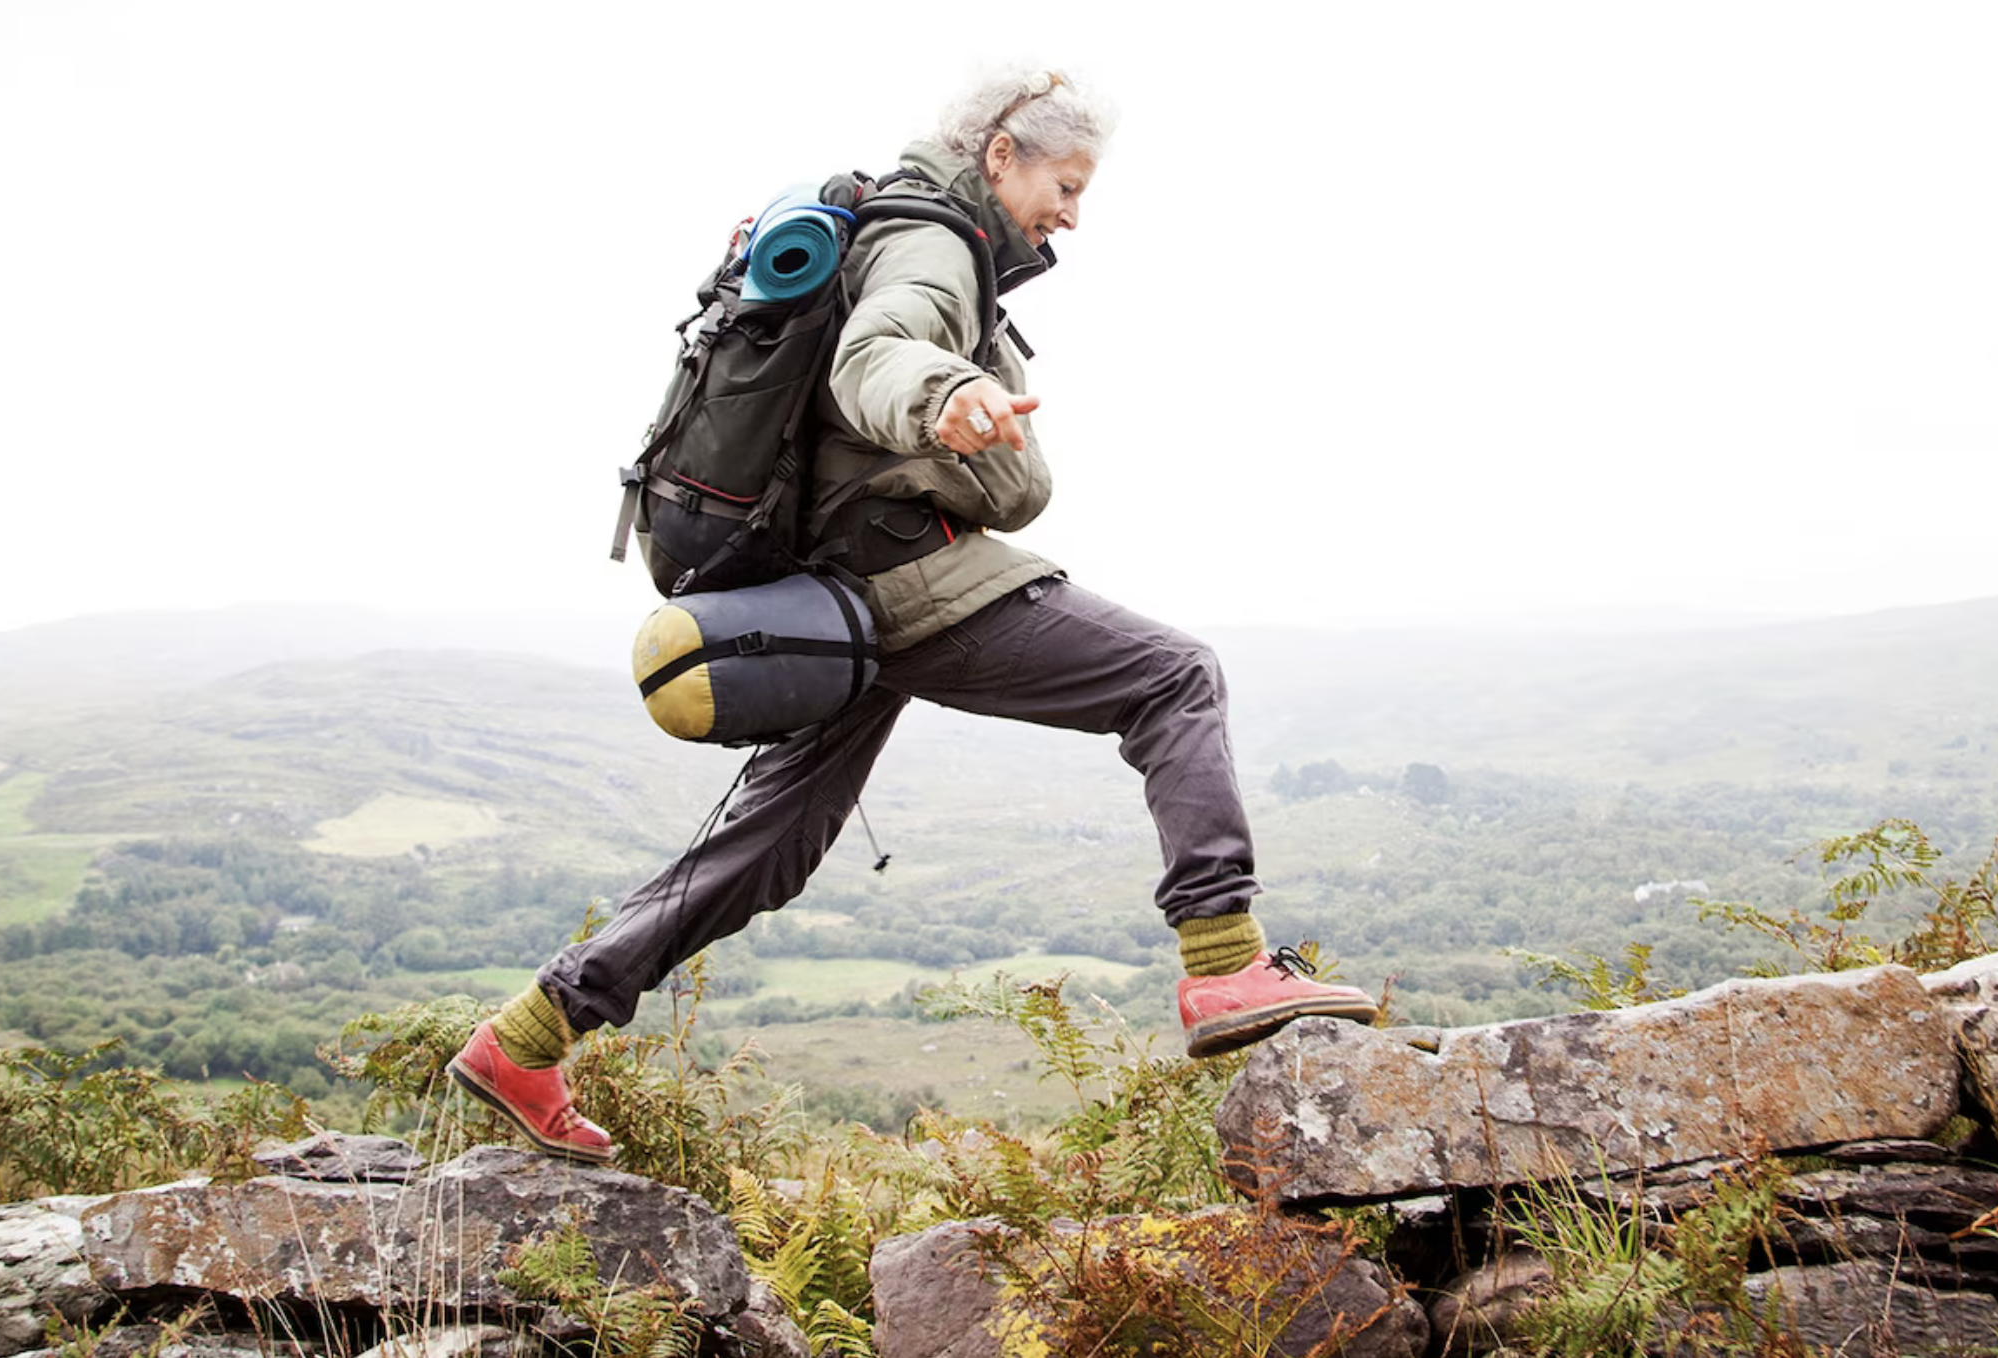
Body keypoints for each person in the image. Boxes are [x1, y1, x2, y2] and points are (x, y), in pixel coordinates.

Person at [448, 68, 1377, 1163]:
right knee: (1170, 676)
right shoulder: (932, 243)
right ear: (999, 155)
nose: (1072, 212)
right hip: (904, 585)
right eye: (1064, 183)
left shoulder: (903, 225)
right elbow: (878, 352)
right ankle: (1224, 962)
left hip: (831, 603)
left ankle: (529, 1034)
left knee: (770, 847)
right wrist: (942, 393)